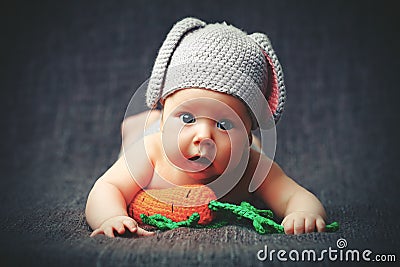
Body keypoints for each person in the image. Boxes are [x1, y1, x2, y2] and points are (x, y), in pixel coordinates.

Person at [85, 17, 327, 237]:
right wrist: (111, 217)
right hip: (148, 134)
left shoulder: (252, 167)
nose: (203, 136)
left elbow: (296, 196)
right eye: (187, 118)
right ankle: (142, 122)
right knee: (137, 135)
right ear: (165, 106)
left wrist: (303, 213)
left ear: (248, 133)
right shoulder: (152, 152)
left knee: (257, 150)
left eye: (224, 124)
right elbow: (108, 187)